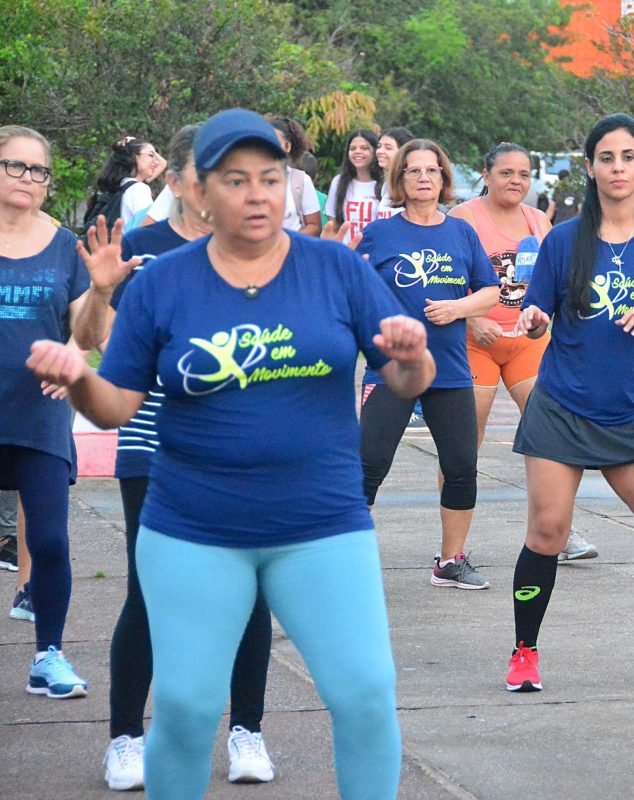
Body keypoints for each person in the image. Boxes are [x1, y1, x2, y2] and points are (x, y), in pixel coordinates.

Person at [25, 108, 434, 799]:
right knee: (185, 708)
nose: (257, 194)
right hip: (195, 527)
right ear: (199, 191)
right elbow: (118, 405)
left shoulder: (335, 269)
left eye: (271, 179)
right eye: (237, 180)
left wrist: (412, 358)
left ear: (289, 187)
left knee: (365, 693)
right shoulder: (162, 283)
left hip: (322, 527)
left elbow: (403, 379)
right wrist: (79, 378)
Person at [100, 124, 276, 792]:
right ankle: (125, 738)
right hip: (155, 447)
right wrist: (96, 292)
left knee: (251, 592)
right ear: (177, 180)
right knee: (150, 592)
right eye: (208, 173)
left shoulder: (259, 251)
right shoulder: (140, 248)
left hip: (243, 453)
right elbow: (96, 342)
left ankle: (248, 731)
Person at [504, 113, 634, 693]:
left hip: (628, 416)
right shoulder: (563, 240)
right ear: (589, 167)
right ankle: (524, 651)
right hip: (561, 409)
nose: (617, 167)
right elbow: (534, 320)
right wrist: (534, 320)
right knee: (548, 531)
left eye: (628, 157)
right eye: (606, 158)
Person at [1, 124, 133, 699]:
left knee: (50, 541)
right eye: (15, 166)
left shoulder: (63, 247)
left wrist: (101, 292)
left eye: (39, 171)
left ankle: (48, 656)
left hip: (36, 416)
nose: (28, 178)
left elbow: (89, 335)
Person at [358, 138, 501, 589]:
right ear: (399, 179)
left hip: (451, 370)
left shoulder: (460, 232)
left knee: (461, 464)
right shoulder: (381, 233)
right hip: (390, 369)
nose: (423, 178)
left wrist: (458, 310)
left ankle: (450, 561)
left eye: (431, 170)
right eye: (413, 171)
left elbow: (491, 290)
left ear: (443, 178)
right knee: (367, 465)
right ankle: (338, 559)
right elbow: (354, 289)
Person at [448, 143, 598, 561]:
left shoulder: (538, 221)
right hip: (473, 343)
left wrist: (549, 321)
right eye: (506, 173)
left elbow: (553, 282)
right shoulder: (464, 218)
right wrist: (471, 318)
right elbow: (445, 279)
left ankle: (558, 530)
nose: (515, 181)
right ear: (486, 174)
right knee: (462, 446)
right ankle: (453, 550)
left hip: (526, 344)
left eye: (523, 174)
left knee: (553, 435)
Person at [85, 136, 165, 228]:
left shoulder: (119, 185)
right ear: (134, 156)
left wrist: (130, 145)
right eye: (151, 156)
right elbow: (146, 229)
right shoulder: (139, 189)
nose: (156, 162)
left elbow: (163, 163)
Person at [325, 129, 382, 242]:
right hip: (347, 254)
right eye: (353, 148)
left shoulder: (384, 185)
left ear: (375, 152)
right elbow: (333, 224)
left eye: (364, 148)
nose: (357, 152)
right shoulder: (338, 182)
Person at [268, 119, 320, 236]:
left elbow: (314, 225)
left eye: (276, 141)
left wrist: (286, 243)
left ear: (287, 146)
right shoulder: (250, 180)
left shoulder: (300, 181)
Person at [375, 127, 415, 221]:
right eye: (379, 146)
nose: (380, 151)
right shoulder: (386, 186)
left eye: (388, 148)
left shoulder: (411, 185)